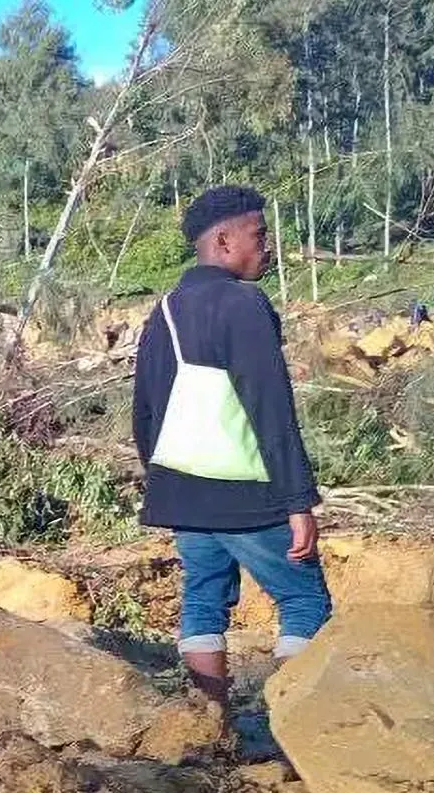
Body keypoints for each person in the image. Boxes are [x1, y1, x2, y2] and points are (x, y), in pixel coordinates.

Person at [131, 185, 332, 708]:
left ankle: (210, 723)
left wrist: (165, 482)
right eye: (259, 235)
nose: (268, 247)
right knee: (304, 598)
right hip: (249, 494)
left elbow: (145, 410)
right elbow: (271, 408)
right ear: (224, 241)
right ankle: (291, 726)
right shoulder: (244, 304)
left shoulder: (165, 310)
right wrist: (298, 501)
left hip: (182, 490)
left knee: (203, 599)